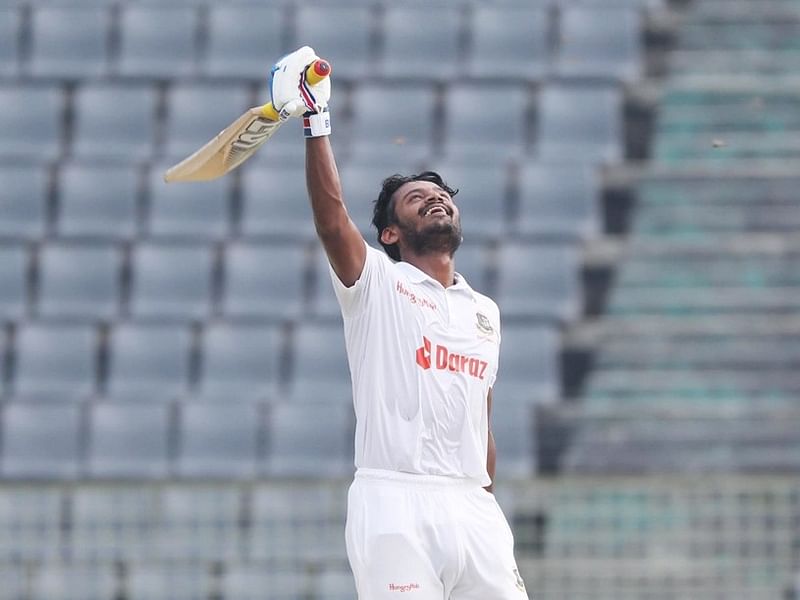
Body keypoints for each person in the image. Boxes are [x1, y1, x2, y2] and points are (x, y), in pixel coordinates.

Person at [270, 46, 530, 600]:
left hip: (472, 506)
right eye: (417, 199)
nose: (436, 201)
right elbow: (331, 218)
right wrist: (317, 121)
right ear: (390, 234)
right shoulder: (377, 286)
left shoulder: (486, 312)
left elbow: (480, 419)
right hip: (395, 501)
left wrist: (480, 491)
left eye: (441, 197)